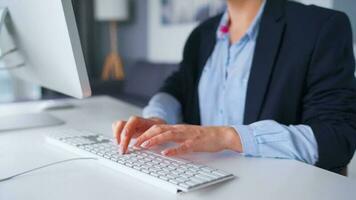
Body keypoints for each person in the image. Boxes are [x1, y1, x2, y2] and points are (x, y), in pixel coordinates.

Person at [112, 0, 356, 174]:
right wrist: (157, 117)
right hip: (198, 180)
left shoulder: (318, 26)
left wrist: (228, 136)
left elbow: (336, 138)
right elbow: (175, 87)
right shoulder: (201, 35)